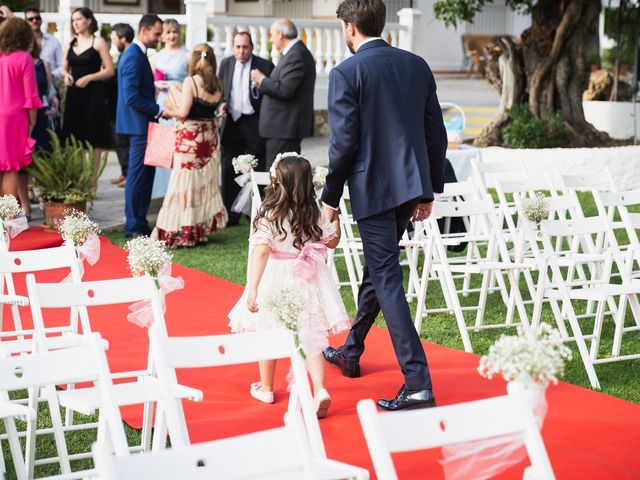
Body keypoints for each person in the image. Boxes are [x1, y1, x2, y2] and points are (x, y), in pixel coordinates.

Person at [321, 0, 447, 411]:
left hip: (372, 190)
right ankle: (351, 350)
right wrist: (428, 190)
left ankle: (417, 382)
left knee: (386, 278)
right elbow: (435, 134)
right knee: (378, 271)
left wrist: (329, 198)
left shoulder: (346, 72)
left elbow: (343, 145)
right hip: (409, 187)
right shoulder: (416, 65)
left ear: (349, 27)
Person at [228, 153, 349, 418]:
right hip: (308, 277)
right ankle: (319, 389)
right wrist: (336, 220)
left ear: (278, 182)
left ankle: (267, 388)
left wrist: (253, 287)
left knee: (267, 331)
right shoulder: (313, 211)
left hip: (276, 276)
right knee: (312, 337)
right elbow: (331, 242)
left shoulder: (269, 213)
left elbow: (261, 251)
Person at [152, 43, 227, 247]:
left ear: (193, 60)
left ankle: (181, 230)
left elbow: (183, 112)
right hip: (209, 138)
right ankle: (199, 230)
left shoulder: (190, 82)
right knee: (202, 183)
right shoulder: (218, 84)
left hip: (190, 140)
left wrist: (167, 111)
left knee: (182, 183)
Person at [115, 14, 164, 238]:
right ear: (144, 30)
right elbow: (131, 97)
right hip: (138, 126)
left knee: (146, 175)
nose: (159, 38)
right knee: (136, 176)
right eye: (157, 33)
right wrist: (159, 109)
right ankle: (133, 225)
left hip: (145, 125)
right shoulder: (133, 56)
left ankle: (140, 221)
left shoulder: (138, 54)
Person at [219, 31, 274, 226]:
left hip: (254, 121)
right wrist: (221, 106)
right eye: (238, 47)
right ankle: (230, 214)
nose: (241, 51)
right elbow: (220, 92)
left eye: (245, 47)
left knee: (256, 167)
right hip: (232, 122)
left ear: (251, 47)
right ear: (233, 47)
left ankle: (254, 212)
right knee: (228, 168)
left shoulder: (264, 66)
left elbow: (271, 94)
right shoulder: (226, 64)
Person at [250, 19, 315, 168]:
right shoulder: (293, 53)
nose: (271, 39)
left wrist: (262, 79)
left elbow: (285, 89)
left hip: (284, 128)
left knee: (278, 175)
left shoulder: (296, 54)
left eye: (272, 34)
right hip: (281, 128)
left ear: (280, 34)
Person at [60, 6, 114, 189]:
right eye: (73, 20)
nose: (75, 23)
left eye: (79, 19)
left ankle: (92, 181)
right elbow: (63, 67)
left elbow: (109, 70)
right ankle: (78, 179)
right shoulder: (71, 42)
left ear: (89, 21)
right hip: (74, 94)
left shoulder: (98, 42)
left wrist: (89, 78)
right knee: (75, 136)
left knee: (94, 136)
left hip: (94, 94)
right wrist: (66, 75)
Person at [0, 17, 42, 199]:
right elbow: (31, 96)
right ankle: (7, 221)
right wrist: (32, 123)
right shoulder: (24, 58)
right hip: (14, 117)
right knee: (11, 168)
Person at [150, 18, 189, 198]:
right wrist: (158, 85)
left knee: (180, 148)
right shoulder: (156, 57)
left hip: (180, 103)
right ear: (162, 36)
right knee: (163, 149)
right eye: (168, 32)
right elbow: (150, 82)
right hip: (163, 104)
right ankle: (161, 193)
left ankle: (180, 191)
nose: (172, 35)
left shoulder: (187, 55)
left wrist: (175, 84)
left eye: (175, 32)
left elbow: (194, 83)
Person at [107, 23, 134, 188]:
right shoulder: (123, 54)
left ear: (122, 39)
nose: (112, 42)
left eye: (114, 38)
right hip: (116, 105)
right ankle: (125, 173)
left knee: (123, 143)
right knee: (119, 143)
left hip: (123, 107)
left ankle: (128, 174)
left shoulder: (129, 56)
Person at [24, 7, 63, 80]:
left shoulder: (53, 41)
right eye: (30, 19)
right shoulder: (22, 42)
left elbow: (62, 65)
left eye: (37, 18)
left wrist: (51, 75)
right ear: (26, 22)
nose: (34, 21)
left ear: (41, 20)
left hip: (50, 87)